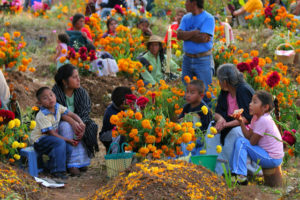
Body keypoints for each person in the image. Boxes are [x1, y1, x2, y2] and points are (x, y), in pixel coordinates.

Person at [207, 63, 255, 175]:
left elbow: (247, 118)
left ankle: (228, 169)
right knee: (211, 129)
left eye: (219, 80)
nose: (218, 83)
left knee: (234, 133)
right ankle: (212, 168)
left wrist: (226, 125)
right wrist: (220, 120)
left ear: (224, 82)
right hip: (228, 123)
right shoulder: (225, 92)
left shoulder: (243, 90)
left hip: (244, 126)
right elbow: (218, 112)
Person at [52, 64, 99, 176]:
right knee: (66, 126)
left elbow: (85, 112)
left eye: (78, 76)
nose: (78, 79)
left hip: (80, 119)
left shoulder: (81, 92)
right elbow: (56, 111)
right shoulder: (55, 91)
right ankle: (72, 164)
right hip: (59, 121)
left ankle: (82, 162)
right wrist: (72, 122)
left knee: (90, 126)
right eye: (74, 77)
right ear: (64, 81)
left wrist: (80, 124)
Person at [231, 91, 284, 184]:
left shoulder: (263, 120)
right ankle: (240, 174)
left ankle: (241, 176)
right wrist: (241, 122)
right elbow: (248, 136)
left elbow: (252, 142)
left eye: (254, 102)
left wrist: (246, 139)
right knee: (241, 141)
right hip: (268, 155)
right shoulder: (256, 117)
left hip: (272, 158)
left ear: (265, 107)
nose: (250, 104)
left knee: (241, 142)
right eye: (251, 101)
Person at [31, 87, 83, 180]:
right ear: (40, 103)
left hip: (50, 139)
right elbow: (51, 134)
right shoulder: (42, 115)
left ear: (55, 96)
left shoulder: (58, 107)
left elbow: (72, 114)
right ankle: (57, 171)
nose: (50, 98)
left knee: (68, 147)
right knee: (60, 142)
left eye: (51, 95)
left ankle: (53, 167)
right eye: (45, 98)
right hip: (39, 141)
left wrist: (80, 122)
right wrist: (68, 140)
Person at [177, 0, 215, 104]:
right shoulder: (186, 17)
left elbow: (203, 38)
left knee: (205, 91)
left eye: (186, 1)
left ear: (194, 3)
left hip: (203, 60)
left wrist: (187, 35)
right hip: (187, 60)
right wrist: (195, 32)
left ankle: (209, 117)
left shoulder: (208, 18)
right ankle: (190, 116)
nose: (185, 4)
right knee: (188, 90)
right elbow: (179, 35)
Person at [178, 80, 212, 156]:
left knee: (187, 143)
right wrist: (181, 120)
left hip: (200, 137)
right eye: (187, 92)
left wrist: (194, 130)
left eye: (192, 93)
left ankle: (188, 161)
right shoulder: (187, 107)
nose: (188, 95)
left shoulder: (204, 109)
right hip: (188, 134)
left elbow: (206, 128)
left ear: (201, 95)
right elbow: (180, 119)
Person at [100, 87, 132, 152]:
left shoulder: (127, 108)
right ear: (122, 102)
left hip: (119, 135)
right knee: (122, 134)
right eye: (128, 101)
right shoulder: (110, 112)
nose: (130, 103)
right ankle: (118, 157)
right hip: (108, 137)